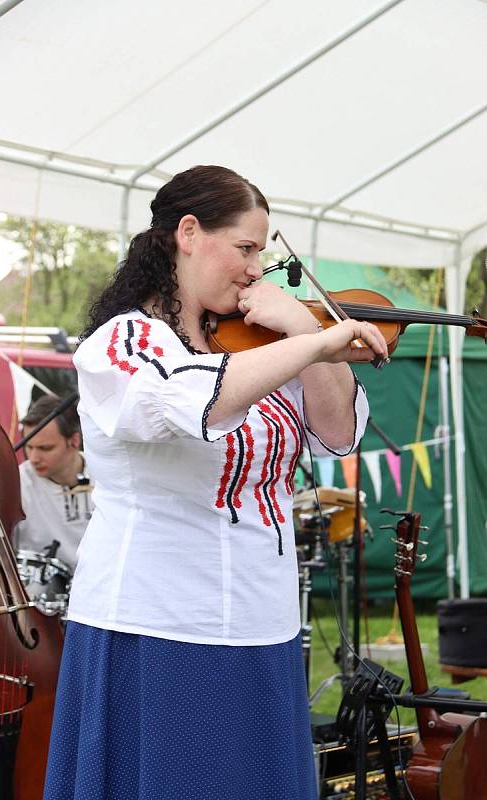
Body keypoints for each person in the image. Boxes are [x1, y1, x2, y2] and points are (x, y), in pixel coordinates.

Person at [43, 165, 388, 800]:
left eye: (262, 251)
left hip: (265, 617)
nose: (257, 268)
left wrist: (306, 332)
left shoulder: (264, 343)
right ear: (190, 233)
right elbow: (186, 402)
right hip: (155, 621)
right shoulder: (125, 341)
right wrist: (308, 345)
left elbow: (338, 432)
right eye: (246, 248)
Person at [15, 393, 93, 571]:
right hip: (38, 593)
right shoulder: (16, 482)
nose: (33, 458)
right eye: (29, 447)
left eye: (45, 448)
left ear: (74, 441)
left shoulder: (106, 478)